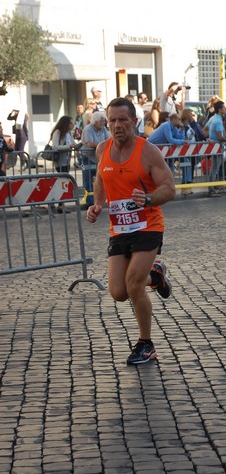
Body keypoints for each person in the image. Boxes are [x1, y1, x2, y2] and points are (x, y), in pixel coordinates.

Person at [86, 97, 175, 366]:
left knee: (134, 284)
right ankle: (156, 275)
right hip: (120, 228)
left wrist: (148, 198)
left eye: (122, 120)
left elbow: (169, 188)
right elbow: (101, 178)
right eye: (112, 120)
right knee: (118, 291)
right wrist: (97, 203)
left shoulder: (147, 151)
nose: (117, 125)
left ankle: (146, 344)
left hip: (148, 225)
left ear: (134, 122)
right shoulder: (103, 149)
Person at [81, 111, 111, 205]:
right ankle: (89, 202)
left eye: (104, 121)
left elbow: (109, 139)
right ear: (95, 121)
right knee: (88, 180)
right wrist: (102, 145)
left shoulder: (103, 129)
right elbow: (90, 143)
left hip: (99, 157)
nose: (103, 123)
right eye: (101, 121)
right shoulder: (88, 129)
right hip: (88, 157)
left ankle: (100, 200)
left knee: (101, 179)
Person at [49, 115, 75, 212]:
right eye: (71, 123)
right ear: (66, 124)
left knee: (63, 183)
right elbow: (55, 147)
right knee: (61, 182)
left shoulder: (68, 133)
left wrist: (77, 146)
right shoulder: (58, 132)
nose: (73, 125)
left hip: (67, 161)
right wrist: (68, 146)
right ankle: (57, 202)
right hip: (60, 161)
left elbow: (72, 143)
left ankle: (59, 203)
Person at [204, 100, 226, 196]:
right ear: (220, 109)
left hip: (214, 146)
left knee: (214, 168)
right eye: (224, 107)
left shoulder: (212, 118)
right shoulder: (218, 121)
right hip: (218, 147)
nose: (225, 109)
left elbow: (204, 129)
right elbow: (220, 137)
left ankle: (212, 187)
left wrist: (208, 138)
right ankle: (211, 190)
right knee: (214, 169)